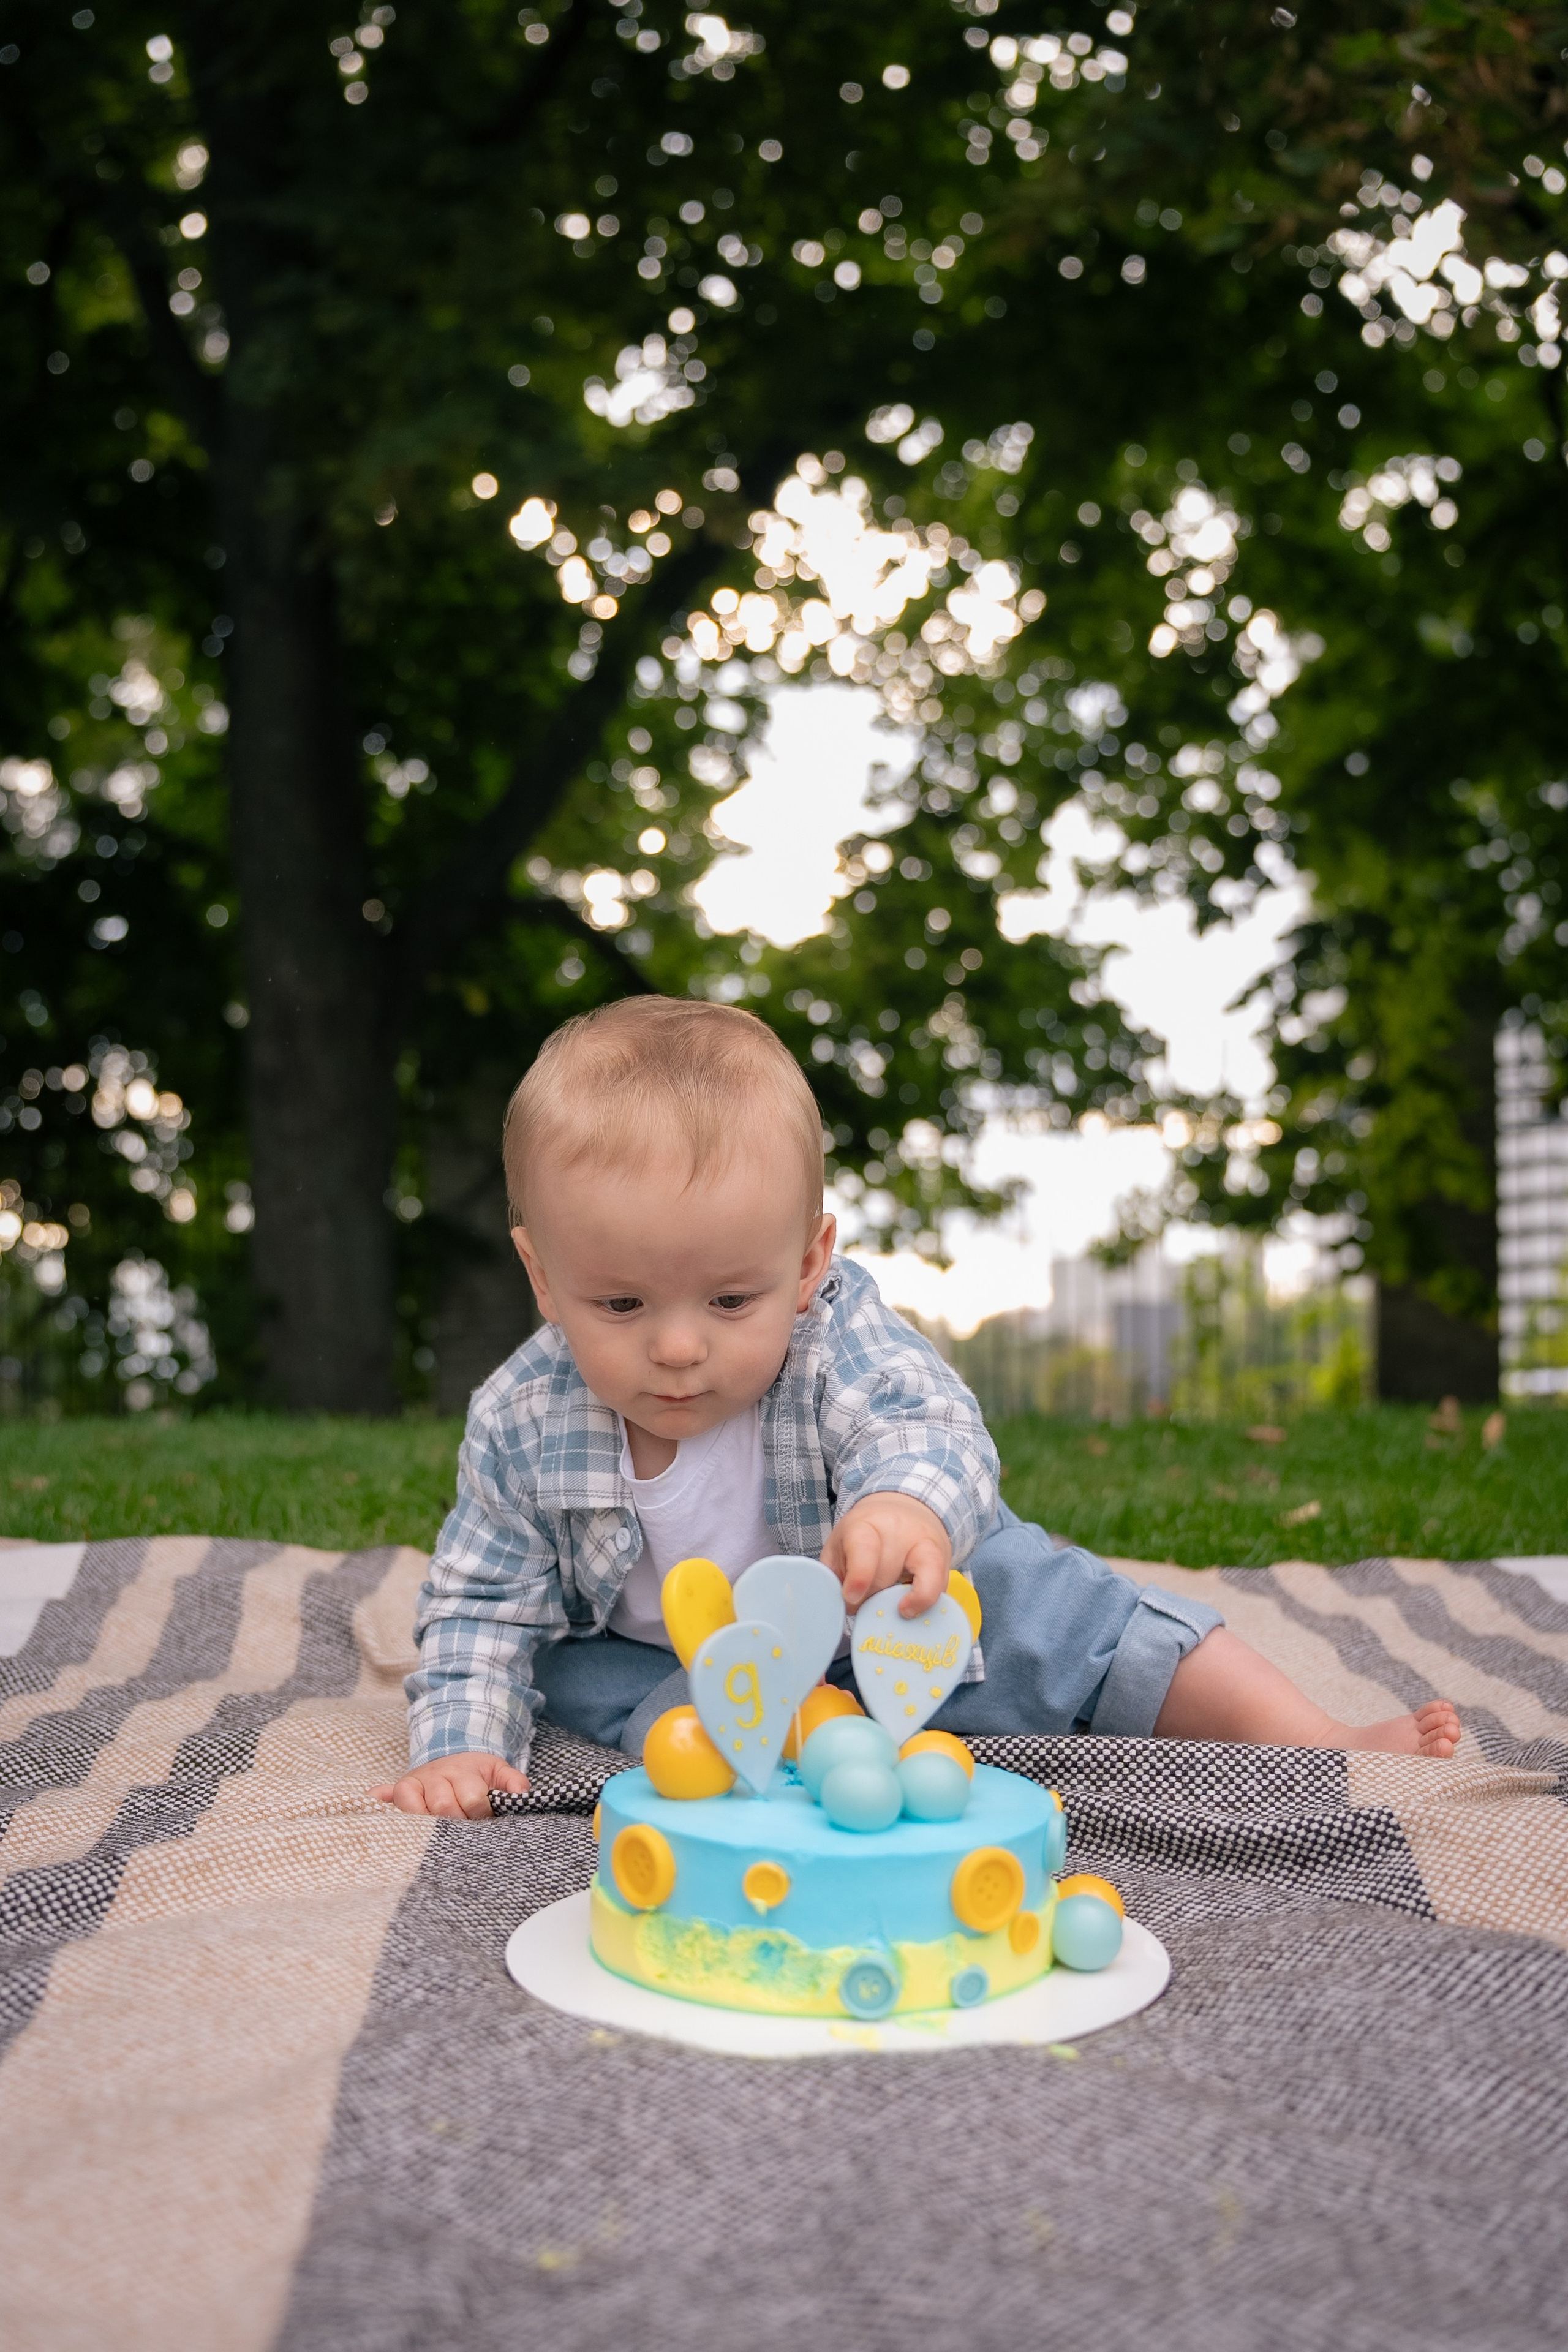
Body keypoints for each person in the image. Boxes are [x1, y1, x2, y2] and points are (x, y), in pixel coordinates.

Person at [379, 998, 1460, 1819]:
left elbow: (924, 1421)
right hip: (686, 1659)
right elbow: (482, 1603)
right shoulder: (521, 1418)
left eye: (731, 1300)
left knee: (1056, 1608)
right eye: (620, 1304)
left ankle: (1314, 1735)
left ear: (809, 1265)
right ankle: (791, 1754)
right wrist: (460, 1746)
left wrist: (902, 1505)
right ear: (543, 1275)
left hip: (883, 1611)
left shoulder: (832, 1332)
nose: (677, 1346)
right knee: (583, 1682)